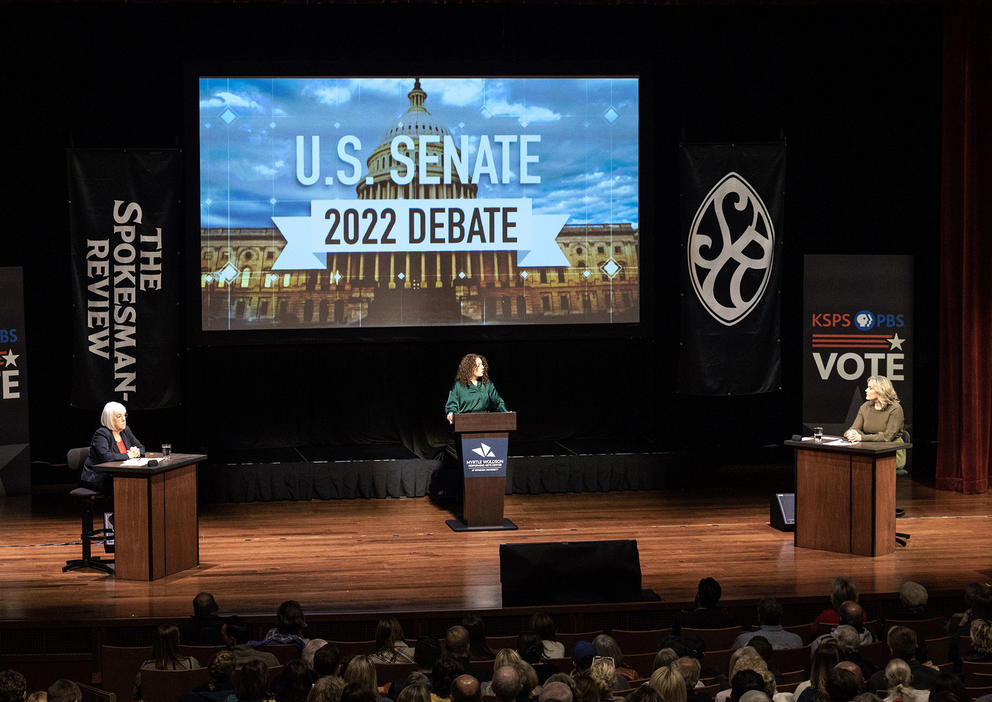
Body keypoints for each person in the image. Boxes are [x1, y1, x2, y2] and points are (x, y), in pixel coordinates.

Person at [79, 400, 145, 492]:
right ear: (110, 419)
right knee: (131, 485)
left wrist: (137, 452)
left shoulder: (125, 430)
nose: (123, 419)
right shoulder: (102, 434)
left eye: (124, 415)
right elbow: (106, 457)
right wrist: (129, 455)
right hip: (99, 477)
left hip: (119, 474)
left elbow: (141, 447)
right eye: (119, 416)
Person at [843, 376, 906, 466]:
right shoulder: (865, 406)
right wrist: (851, 434)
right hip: (868, 450)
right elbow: (854, 428)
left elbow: (888, 437)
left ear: (881, 390)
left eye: (870, 388)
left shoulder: (895, 408)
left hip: (890, 453)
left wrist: (861, 438)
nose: (866, 390)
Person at [445, 354, 507, 424]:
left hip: (486, 422)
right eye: (479, 365)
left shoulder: (487, 384)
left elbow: (498, 402)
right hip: (465, 423)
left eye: (482, 364)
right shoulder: (459, 385)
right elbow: (452, 404)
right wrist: (451, 413)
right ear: (470, 367)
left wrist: (506, 413)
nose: (482, 367)